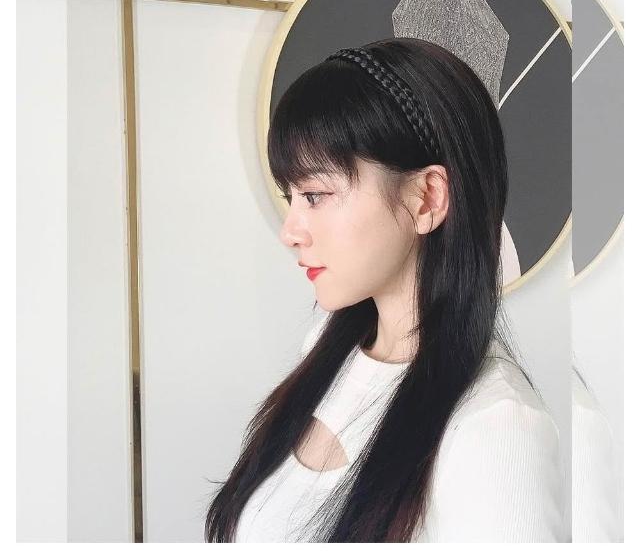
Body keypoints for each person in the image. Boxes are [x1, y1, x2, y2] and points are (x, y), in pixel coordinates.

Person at [204, 38, 567, 542]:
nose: (291, 230)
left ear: (427, 198)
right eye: (293, 196)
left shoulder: (497, 427)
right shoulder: (328, 349)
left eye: (315, 195)